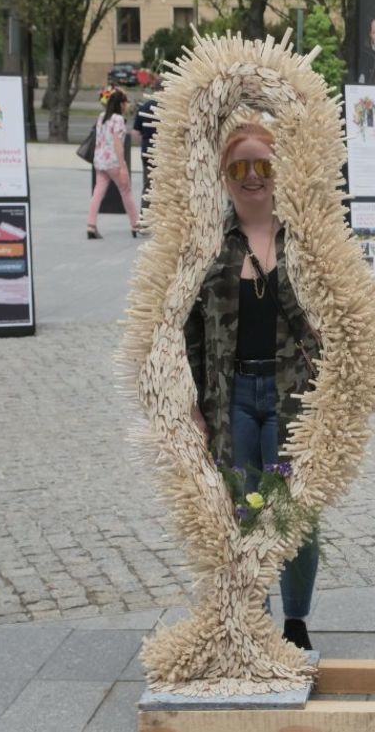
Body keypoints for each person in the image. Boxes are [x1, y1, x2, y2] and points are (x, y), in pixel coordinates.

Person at [184, 120, 324, 651]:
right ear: (223, 175)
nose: (251, 176)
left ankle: (295, 621)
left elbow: (334, 319)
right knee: (246, 512)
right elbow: (190, 331)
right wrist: (193, 404)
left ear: (278, 171)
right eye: (238, 166)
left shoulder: (305, 239)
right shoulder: (211, 245)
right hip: (235, 401)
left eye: (261, 165)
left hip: (292, 403)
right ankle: (255, 620)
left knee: (291, 511)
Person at [88, 88, 140, 239]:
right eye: (126, 102)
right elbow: (117, 143)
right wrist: (123, 166)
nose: (127, 105)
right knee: (126, 191)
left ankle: (90, 225)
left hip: (100, 161)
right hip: (113, 162)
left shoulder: (101, 117)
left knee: (98, 192)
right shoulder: (118, 119)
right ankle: (135, 224)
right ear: (121, 104)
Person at [132, 76, 162, 210]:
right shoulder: (170, 107)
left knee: (148, 185)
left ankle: (144, 218)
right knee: (165, 187)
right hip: (164, 153)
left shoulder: (144, 107)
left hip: (146, 152)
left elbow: (135, 132)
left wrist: (145, 139)